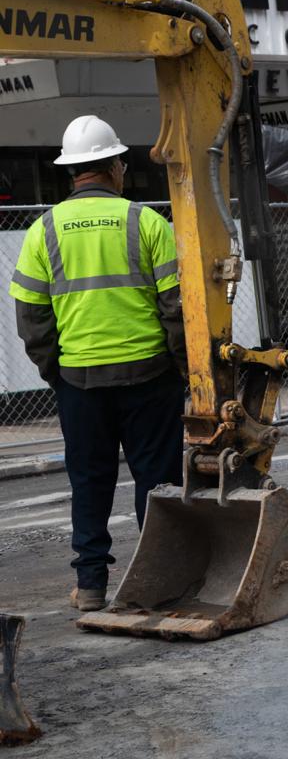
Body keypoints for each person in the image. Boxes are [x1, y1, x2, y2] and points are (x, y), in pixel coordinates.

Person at [8, 115, 187, 611]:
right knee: (157, 482)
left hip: (81, 381)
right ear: (114, 167)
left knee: (89, 481)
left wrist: (58, 373)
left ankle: (91, 585)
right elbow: (176, 308)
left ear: (73, 173)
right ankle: (156, 583)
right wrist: (181, 368)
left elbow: (32, 317)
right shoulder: (147, 221)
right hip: (149, 376)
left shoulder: (43, 230)